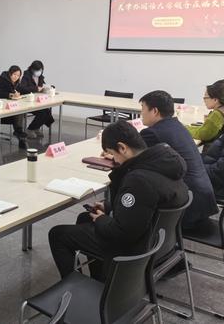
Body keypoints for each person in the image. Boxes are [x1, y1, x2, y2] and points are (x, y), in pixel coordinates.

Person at [49, 120, 188, 280]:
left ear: (122, 148)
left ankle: (73, 286)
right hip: (156, 242)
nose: (114, 160)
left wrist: (101, 219)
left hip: (134, 250)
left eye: (113, 154)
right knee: (84, 218)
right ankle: (100, 279)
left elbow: (122, 232)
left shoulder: (139, 180)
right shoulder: (163, 163)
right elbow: (145, 205)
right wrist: (109, 207)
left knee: (58, 234)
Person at [139, 90, 218, 229]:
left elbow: (134, 159)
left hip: (186, 208)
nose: (141, 114)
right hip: (203, 200)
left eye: (143, 109)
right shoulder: (177, 126)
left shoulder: (152, 133)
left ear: (155, 111)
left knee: (137, 182)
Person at [185, 79, 224, 148]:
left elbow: (203, 134)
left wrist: (184, 128)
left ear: (215, 100)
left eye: (206, 97)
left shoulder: (217, 114)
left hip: (212, 150)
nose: (204, 100)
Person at [0, 65, 27, 149]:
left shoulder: (16, 82)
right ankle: (19, 133)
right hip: (0, 109)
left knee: (20, 112)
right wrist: (10, 95)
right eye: (14, 74)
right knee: (18, 114)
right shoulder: (3, 79)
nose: (16, 77)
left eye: (18, 75)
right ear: (10, 73)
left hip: (11, 109)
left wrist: (19, 94)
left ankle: (19, 133)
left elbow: (22, 89)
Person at [19, 60, 54, 139]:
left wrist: (48, 87)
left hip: (38, 101)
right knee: (43, 113)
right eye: (37, 70)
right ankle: (30, 129)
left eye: (41, 70)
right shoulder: (26, 76)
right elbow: (23, 88)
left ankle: (36, 128)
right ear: (32, 69)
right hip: (28, 101)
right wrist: (36, 88)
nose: (39, 72)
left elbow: (43, 85)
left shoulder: (40, 77)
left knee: (47, 111)